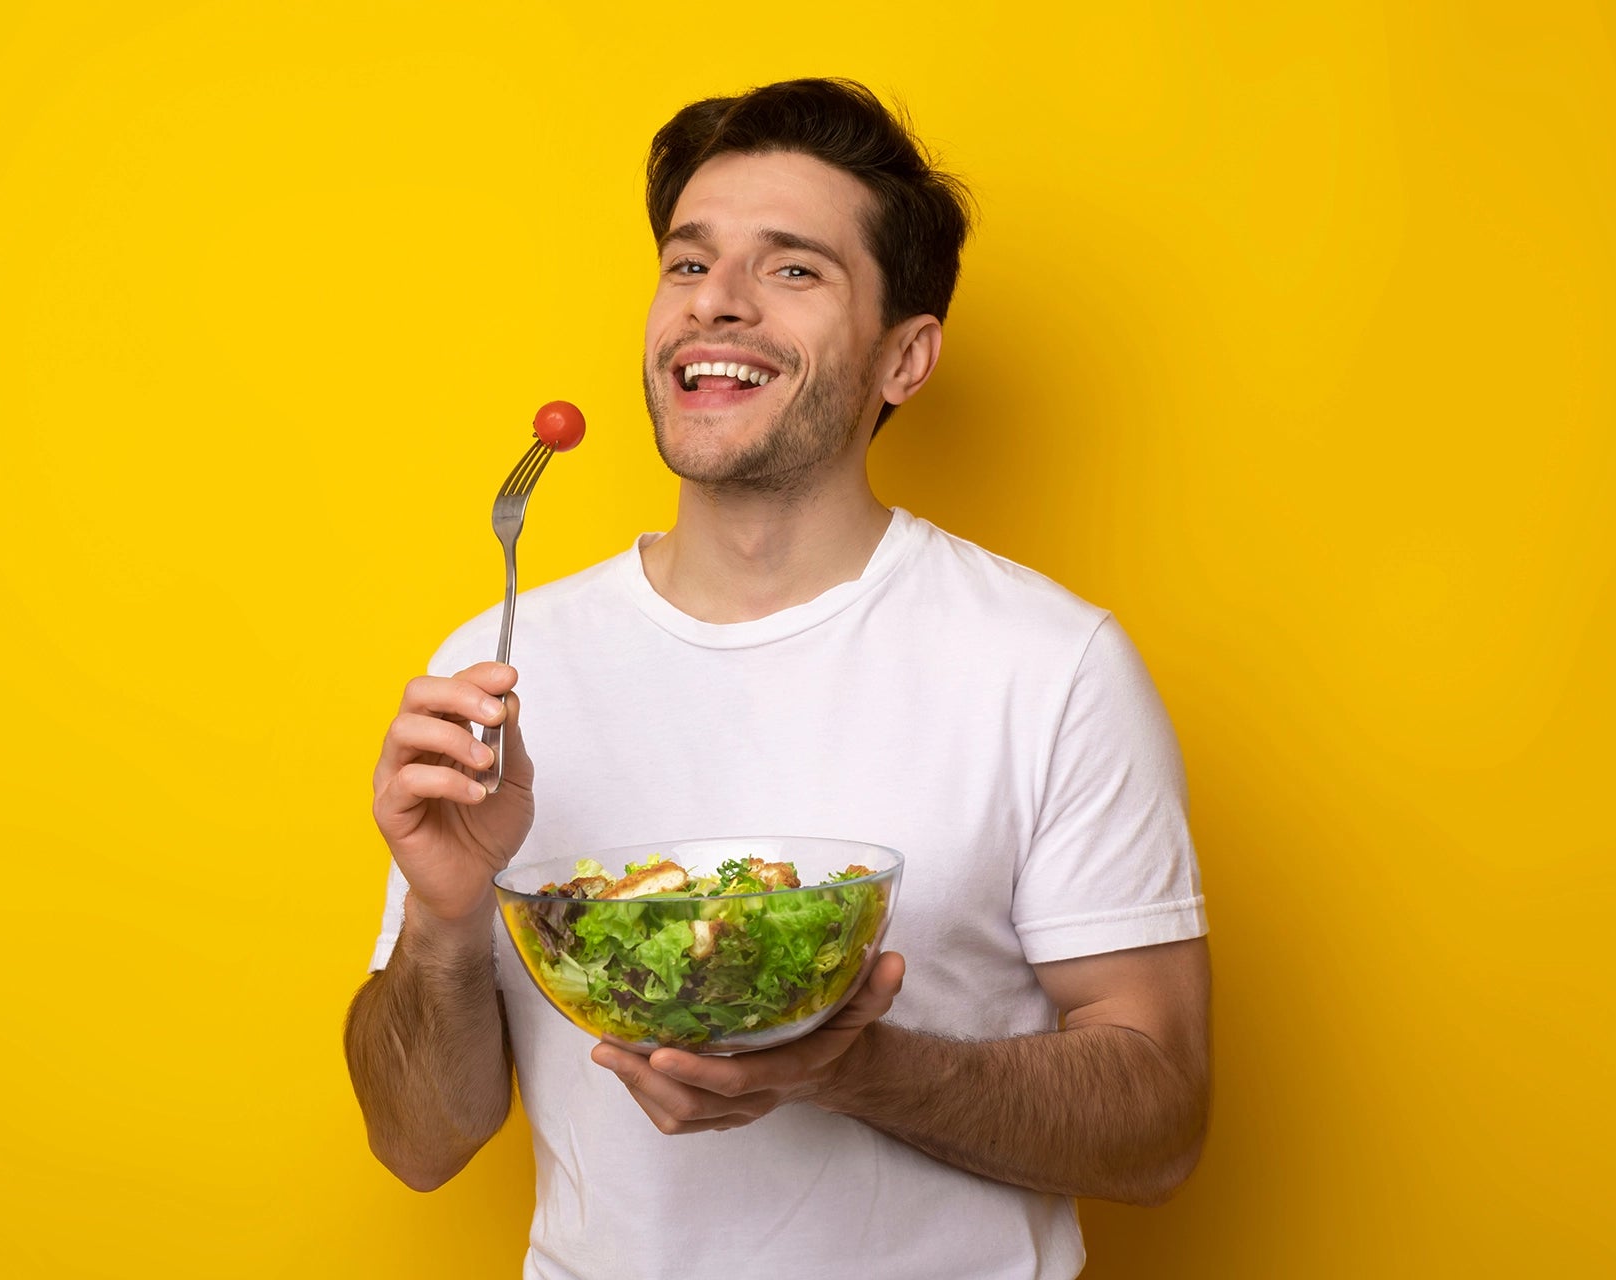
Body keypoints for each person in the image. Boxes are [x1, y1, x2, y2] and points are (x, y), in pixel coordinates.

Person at [345, 78, 1210, 1280]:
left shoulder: (1048, 664)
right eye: (688, 264)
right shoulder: (497, 667)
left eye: (793, 270)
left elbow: (1161, 1119)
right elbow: (419, 1141)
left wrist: (851, 1067)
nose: (720, 306)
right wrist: (442, 915)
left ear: (906, 356)